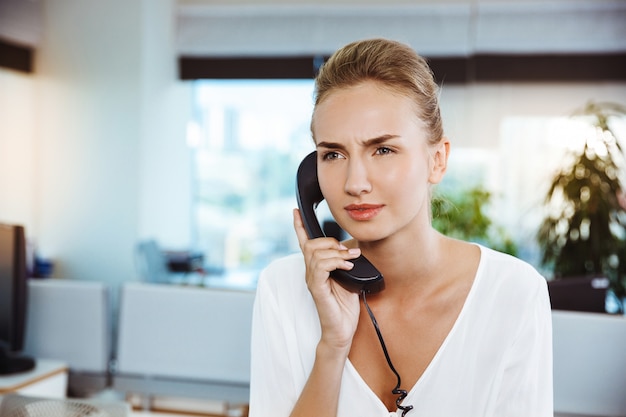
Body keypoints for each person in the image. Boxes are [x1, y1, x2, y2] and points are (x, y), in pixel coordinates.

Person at [249, 38, 553, 417]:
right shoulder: (282, 290)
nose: (354, 182)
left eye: (383, 150)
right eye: (333, 154)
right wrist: (332, 346)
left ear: (437, 160)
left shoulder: (512, 292)